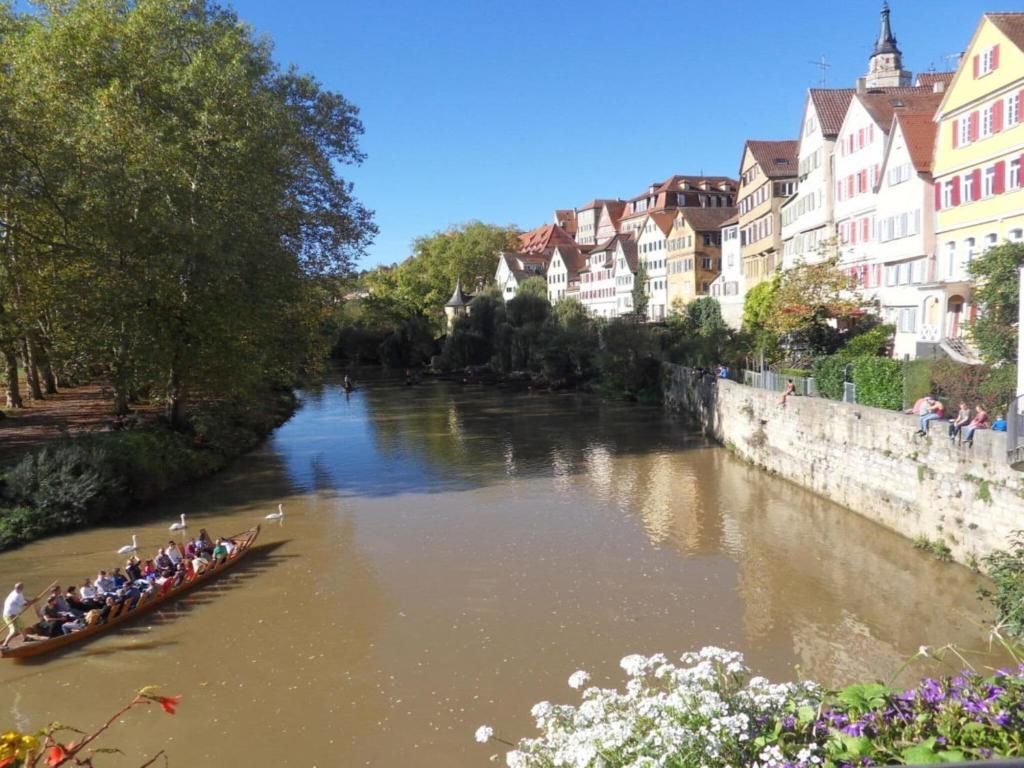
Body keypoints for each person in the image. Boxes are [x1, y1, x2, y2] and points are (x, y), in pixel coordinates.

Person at [3, 583, 39, 649]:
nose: (22, 589)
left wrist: (31, 601)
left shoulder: (18, 592)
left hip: (14, 614)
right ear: (18, 588)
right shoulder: (16, 596)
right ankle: (4, 645)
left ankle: (26, 638)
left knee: (21, 626)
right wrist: (33, 601)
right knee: (14, 630)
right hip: (9, 615)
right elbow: (25, 604)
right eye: (22, 588)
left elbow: (23, 599)